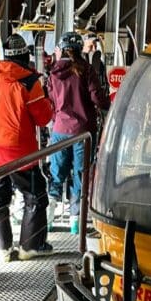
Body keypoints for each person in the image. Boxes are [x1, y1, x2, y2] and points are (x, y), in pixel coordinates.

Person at [0, 33, 54, 260]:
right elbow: (43, 118)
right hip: (20, 153)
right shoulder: (30, 83)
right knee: (35, 195)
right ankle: (30, 247)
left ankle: (2, 249)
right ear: (25, 55)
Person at [47, 31, 110, 234]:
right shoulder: (86, 70)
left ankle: (47, 220)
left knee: (57, 173)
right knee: (81, 174)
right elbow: (98, 99)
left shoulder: (53, 72)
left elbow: (50, 101)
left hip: (59, 130)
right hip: (83, 132)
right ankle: (76, 222)